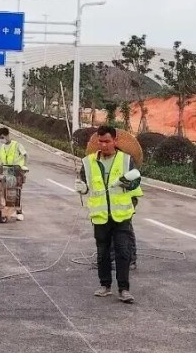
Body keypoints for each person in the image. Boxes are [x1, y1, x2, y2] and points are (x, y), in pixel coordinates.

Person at [75, 125, 141, 303]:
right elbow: (86, 185)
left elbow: (136, 183)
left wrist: (126, 183)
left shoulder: (126, 160)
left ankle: (124, 289)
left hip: (122, 216)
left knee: (123, 252)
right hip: (100, 216)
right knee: (102, 253)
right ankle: (105, 285)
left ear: (115, 141)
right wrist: (82, 188)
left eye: (107, 141)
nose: (103, 145)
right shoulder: (88, 162)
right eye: (101, 141)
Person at [0, 127, 28, 220]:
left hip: (16, 171)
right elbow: (2, 160)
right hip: (6, 171)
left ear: (7, 135)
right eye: (0, 138)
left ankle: (19, 212)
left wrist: (23, 167)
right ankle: (6, 209)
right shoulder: (2, 147)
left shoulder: (16, 145)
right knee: (4, 191)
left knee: (15, 191)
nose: (2, 140)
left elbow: (25, 155)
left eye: (2, 137)